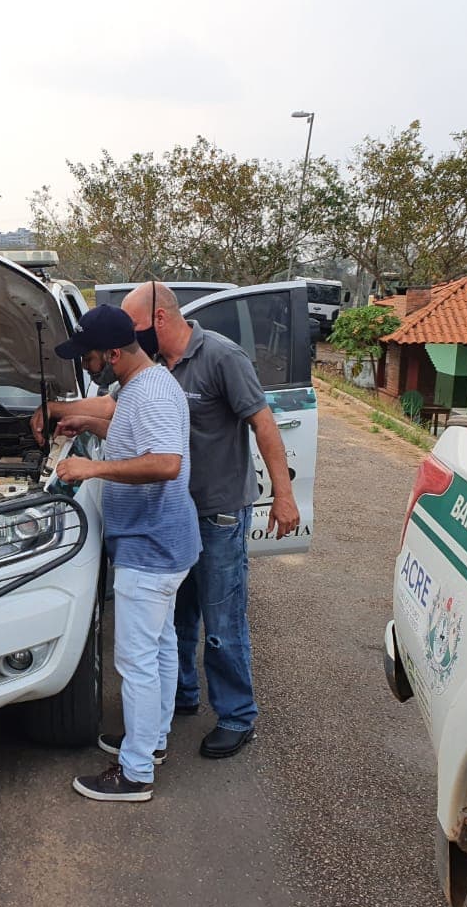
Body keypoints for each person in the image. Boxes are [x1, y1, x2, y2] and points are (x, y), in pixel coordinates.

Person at [36, 282, 299, 760]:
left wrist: (283, 495)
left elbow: (262, 423)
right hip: (168, 510)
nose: (131, 339)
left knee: (221, 623)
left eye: (134, 329)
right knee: (174, 622)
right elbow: (121, 414)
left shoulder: (220, 357)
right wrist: (69, 414)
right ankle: (169, 707)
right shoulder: (155, 376)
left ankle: (237, 716)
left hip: (214, 508)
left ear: (155, 322)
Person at [51, 305, 200, 802]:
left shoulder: (153, 390)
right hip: (163, 541)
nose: (88, 366)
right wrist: (88, 427)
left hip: (151, 545)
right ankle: (150, 741)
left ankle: (135, 773)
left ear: (114, 352)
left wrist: (91, 471)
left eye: (90, 358)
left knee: (136, 660)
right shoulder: (140, 386)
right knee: (159, 649)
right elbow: (135, 439)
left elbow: (163, 462)